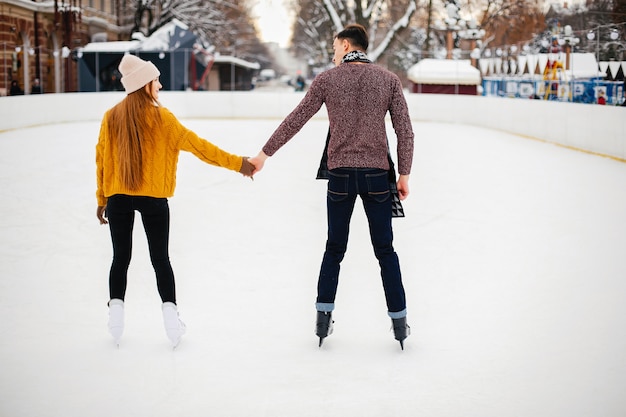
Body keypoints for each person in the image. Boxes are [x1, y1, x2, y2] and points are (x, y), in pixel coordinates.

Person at [249, 24, 414, 349]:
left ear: (345, 44)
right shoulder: (388, 80)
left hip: (340, 175)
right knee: (385, 251)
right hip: (377, 176)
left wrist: (263, 155)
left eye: (335, 45)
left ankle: (323, 319)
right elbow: (404, 130)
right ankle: (399, 322)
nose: (333, 51)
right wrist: (404, 174)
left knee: (334, 248)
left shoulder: (328, 79)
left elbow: (295, 119)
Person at [96, 54, 255, 348]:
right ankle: (172, 322)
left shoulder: (111, 116)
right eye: (155, 80)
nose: (160, 84)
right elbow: (200, 147)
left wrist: (102, 198)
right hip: (154, 199)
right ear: (144, 84)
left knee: (120, 259)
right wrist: (240, 164)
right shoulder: (163, 119)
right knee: (161, 260)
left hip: (117, 197)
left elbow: (101, 160)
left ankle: (115, 318)